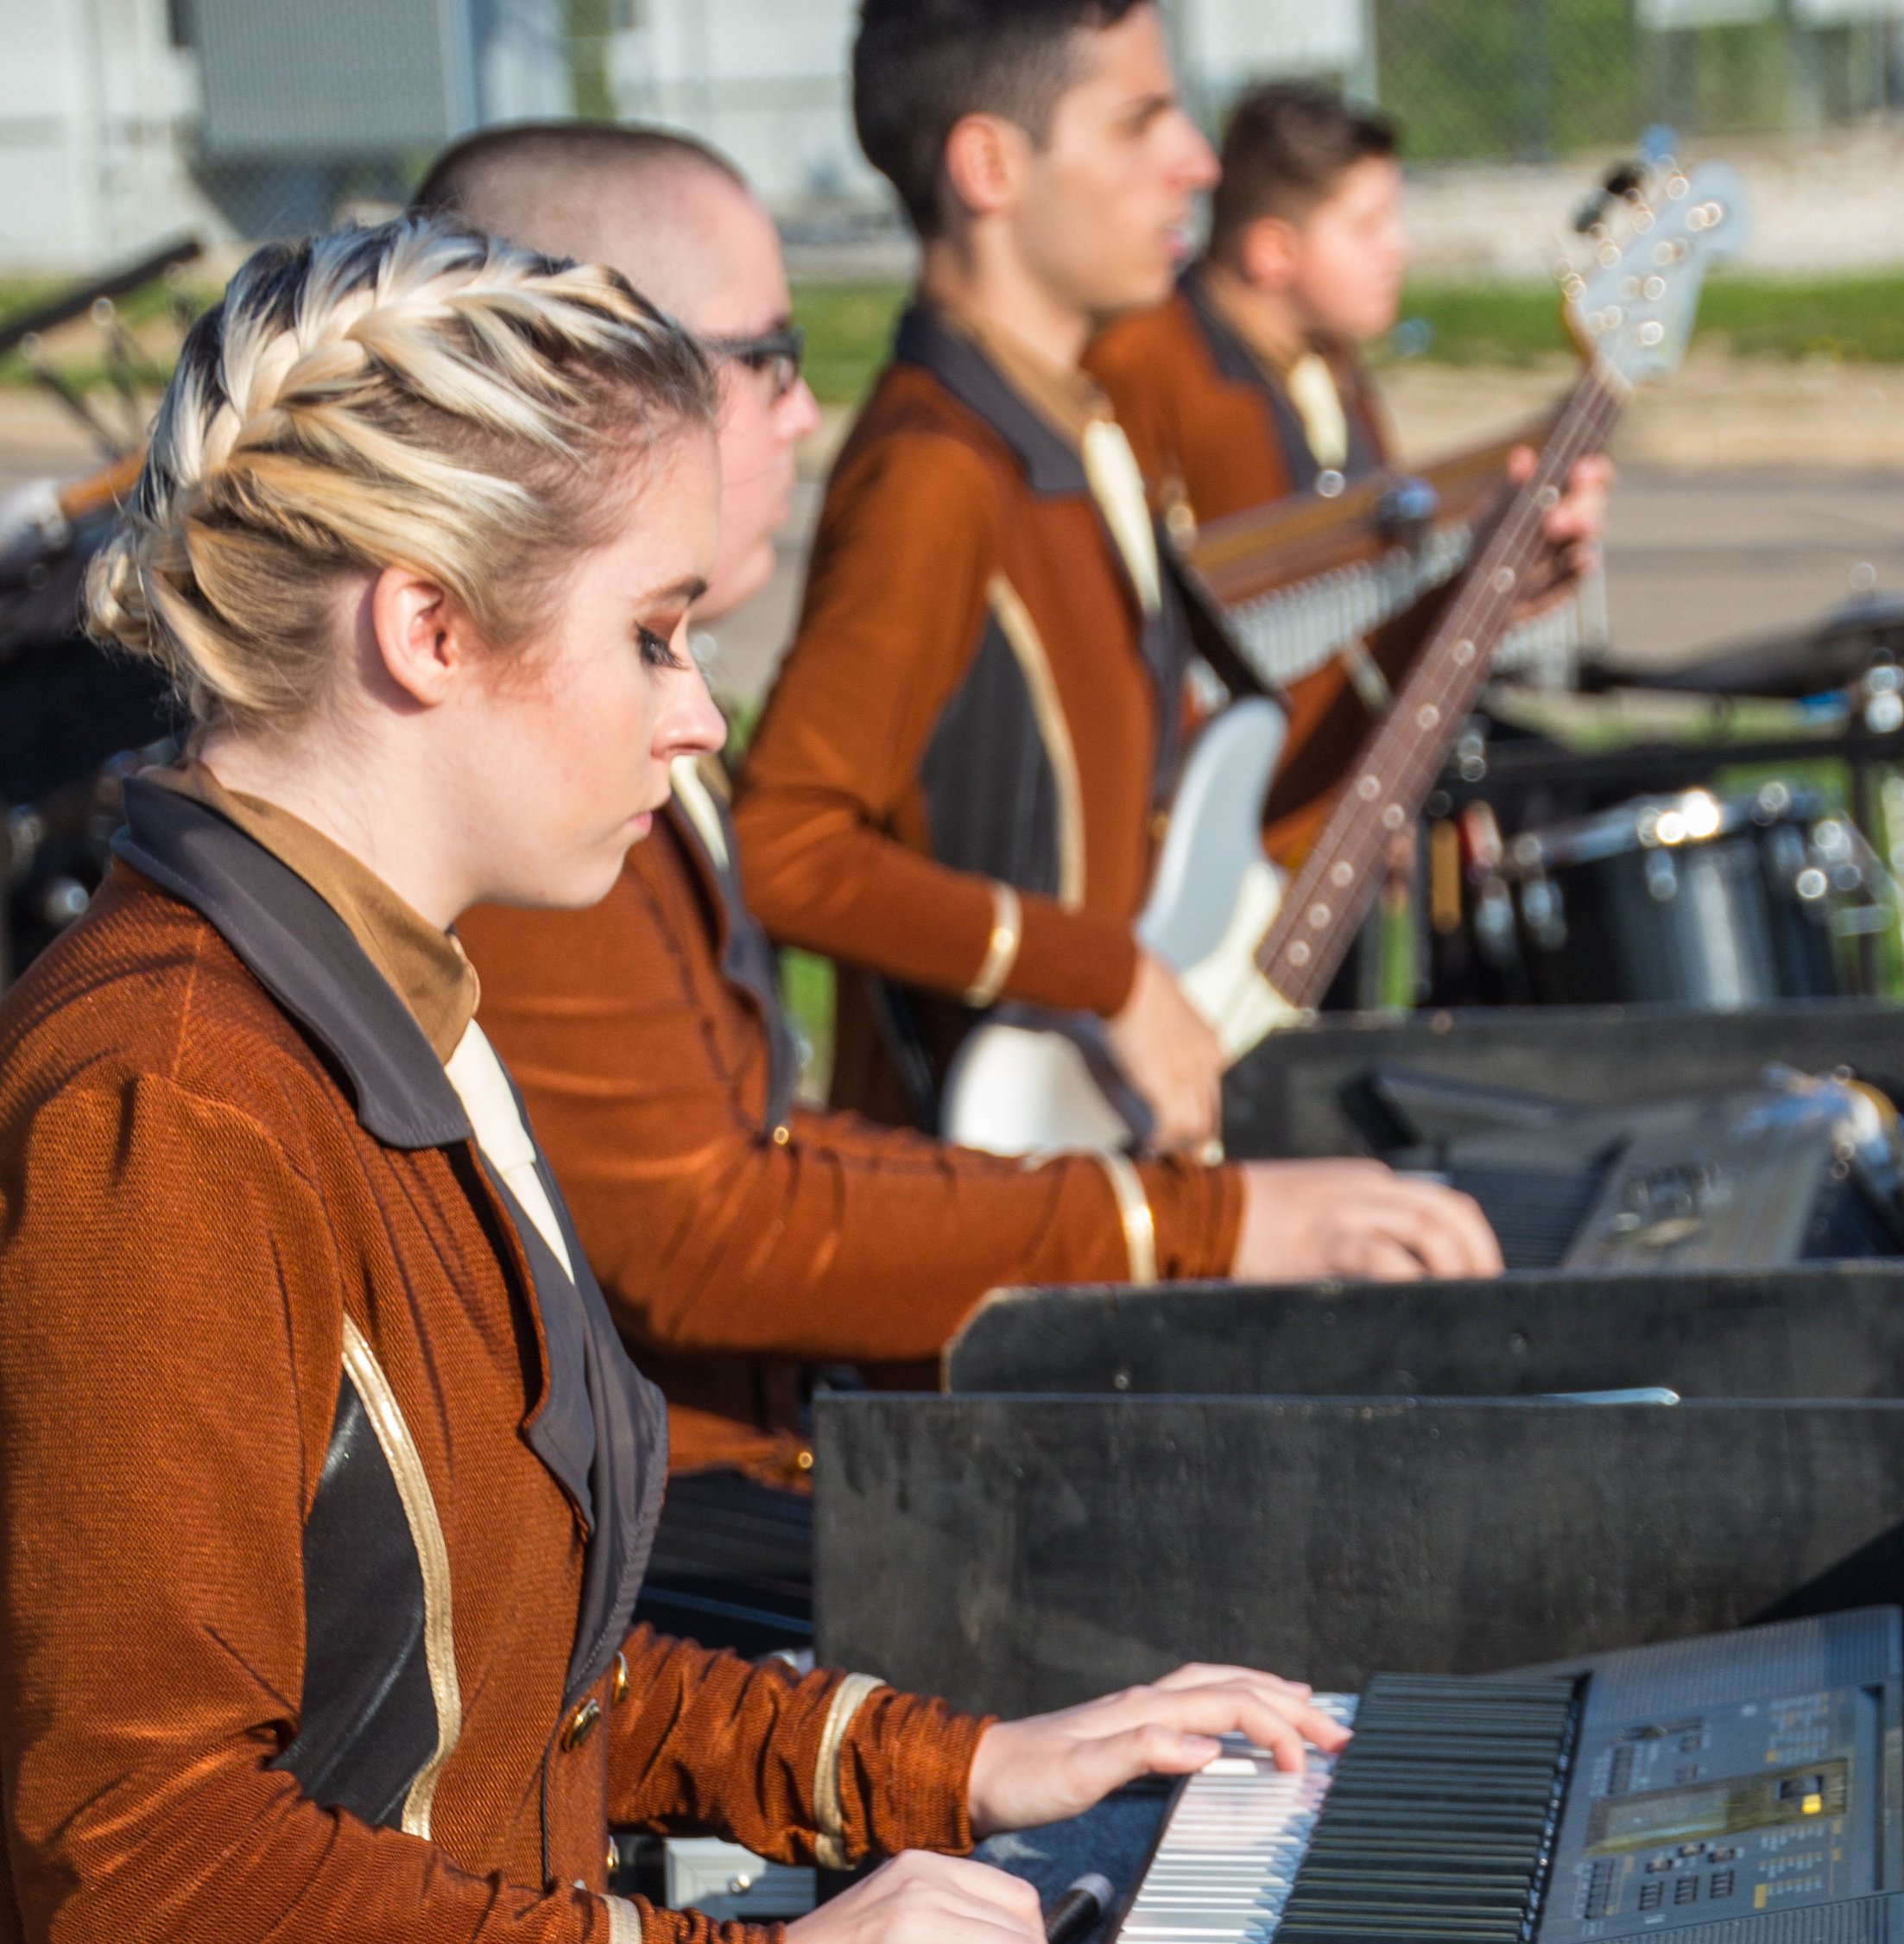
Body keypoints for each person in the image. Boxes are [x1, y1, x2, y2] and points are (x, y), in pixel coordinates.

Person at [0, 214, 1348, 1944]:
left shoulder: (376, 1022)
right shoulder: (166, 1104)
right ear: (422, 632)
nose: (700, 716)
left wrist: (955, 1772)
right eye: (655, 636)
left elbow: (516, 1667)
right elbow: (147, 1848)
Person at [407, 123, 1503, 1636]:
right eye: (767, 357)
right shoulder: (535, 763)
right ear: (592, 371)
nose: (804, 412)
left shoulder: (1068, 426)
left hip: (781, 1400)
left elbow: (744, 1157)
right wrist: (1175, 1194)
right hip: (688, 1511)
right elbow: (711, 1225)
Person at [732, 1, 1478, 1170]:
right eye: (1140, 123)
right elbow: (783, 847)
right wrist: (1104, 971)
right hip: (993, 1185)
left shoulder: (1074, 430)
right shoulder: (939, 473)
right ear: (989, 165)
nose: (1195, 160)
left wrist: (1475, 605)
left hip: (1110, 1164)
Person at [1091, 78, 1610, 851]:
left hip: (1342, 792)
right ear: (1272, 250)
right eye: (1368, 224)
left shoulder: (1332, 369)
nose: (1397, 246)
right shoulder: (1143, 368)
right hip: (1227, 828)